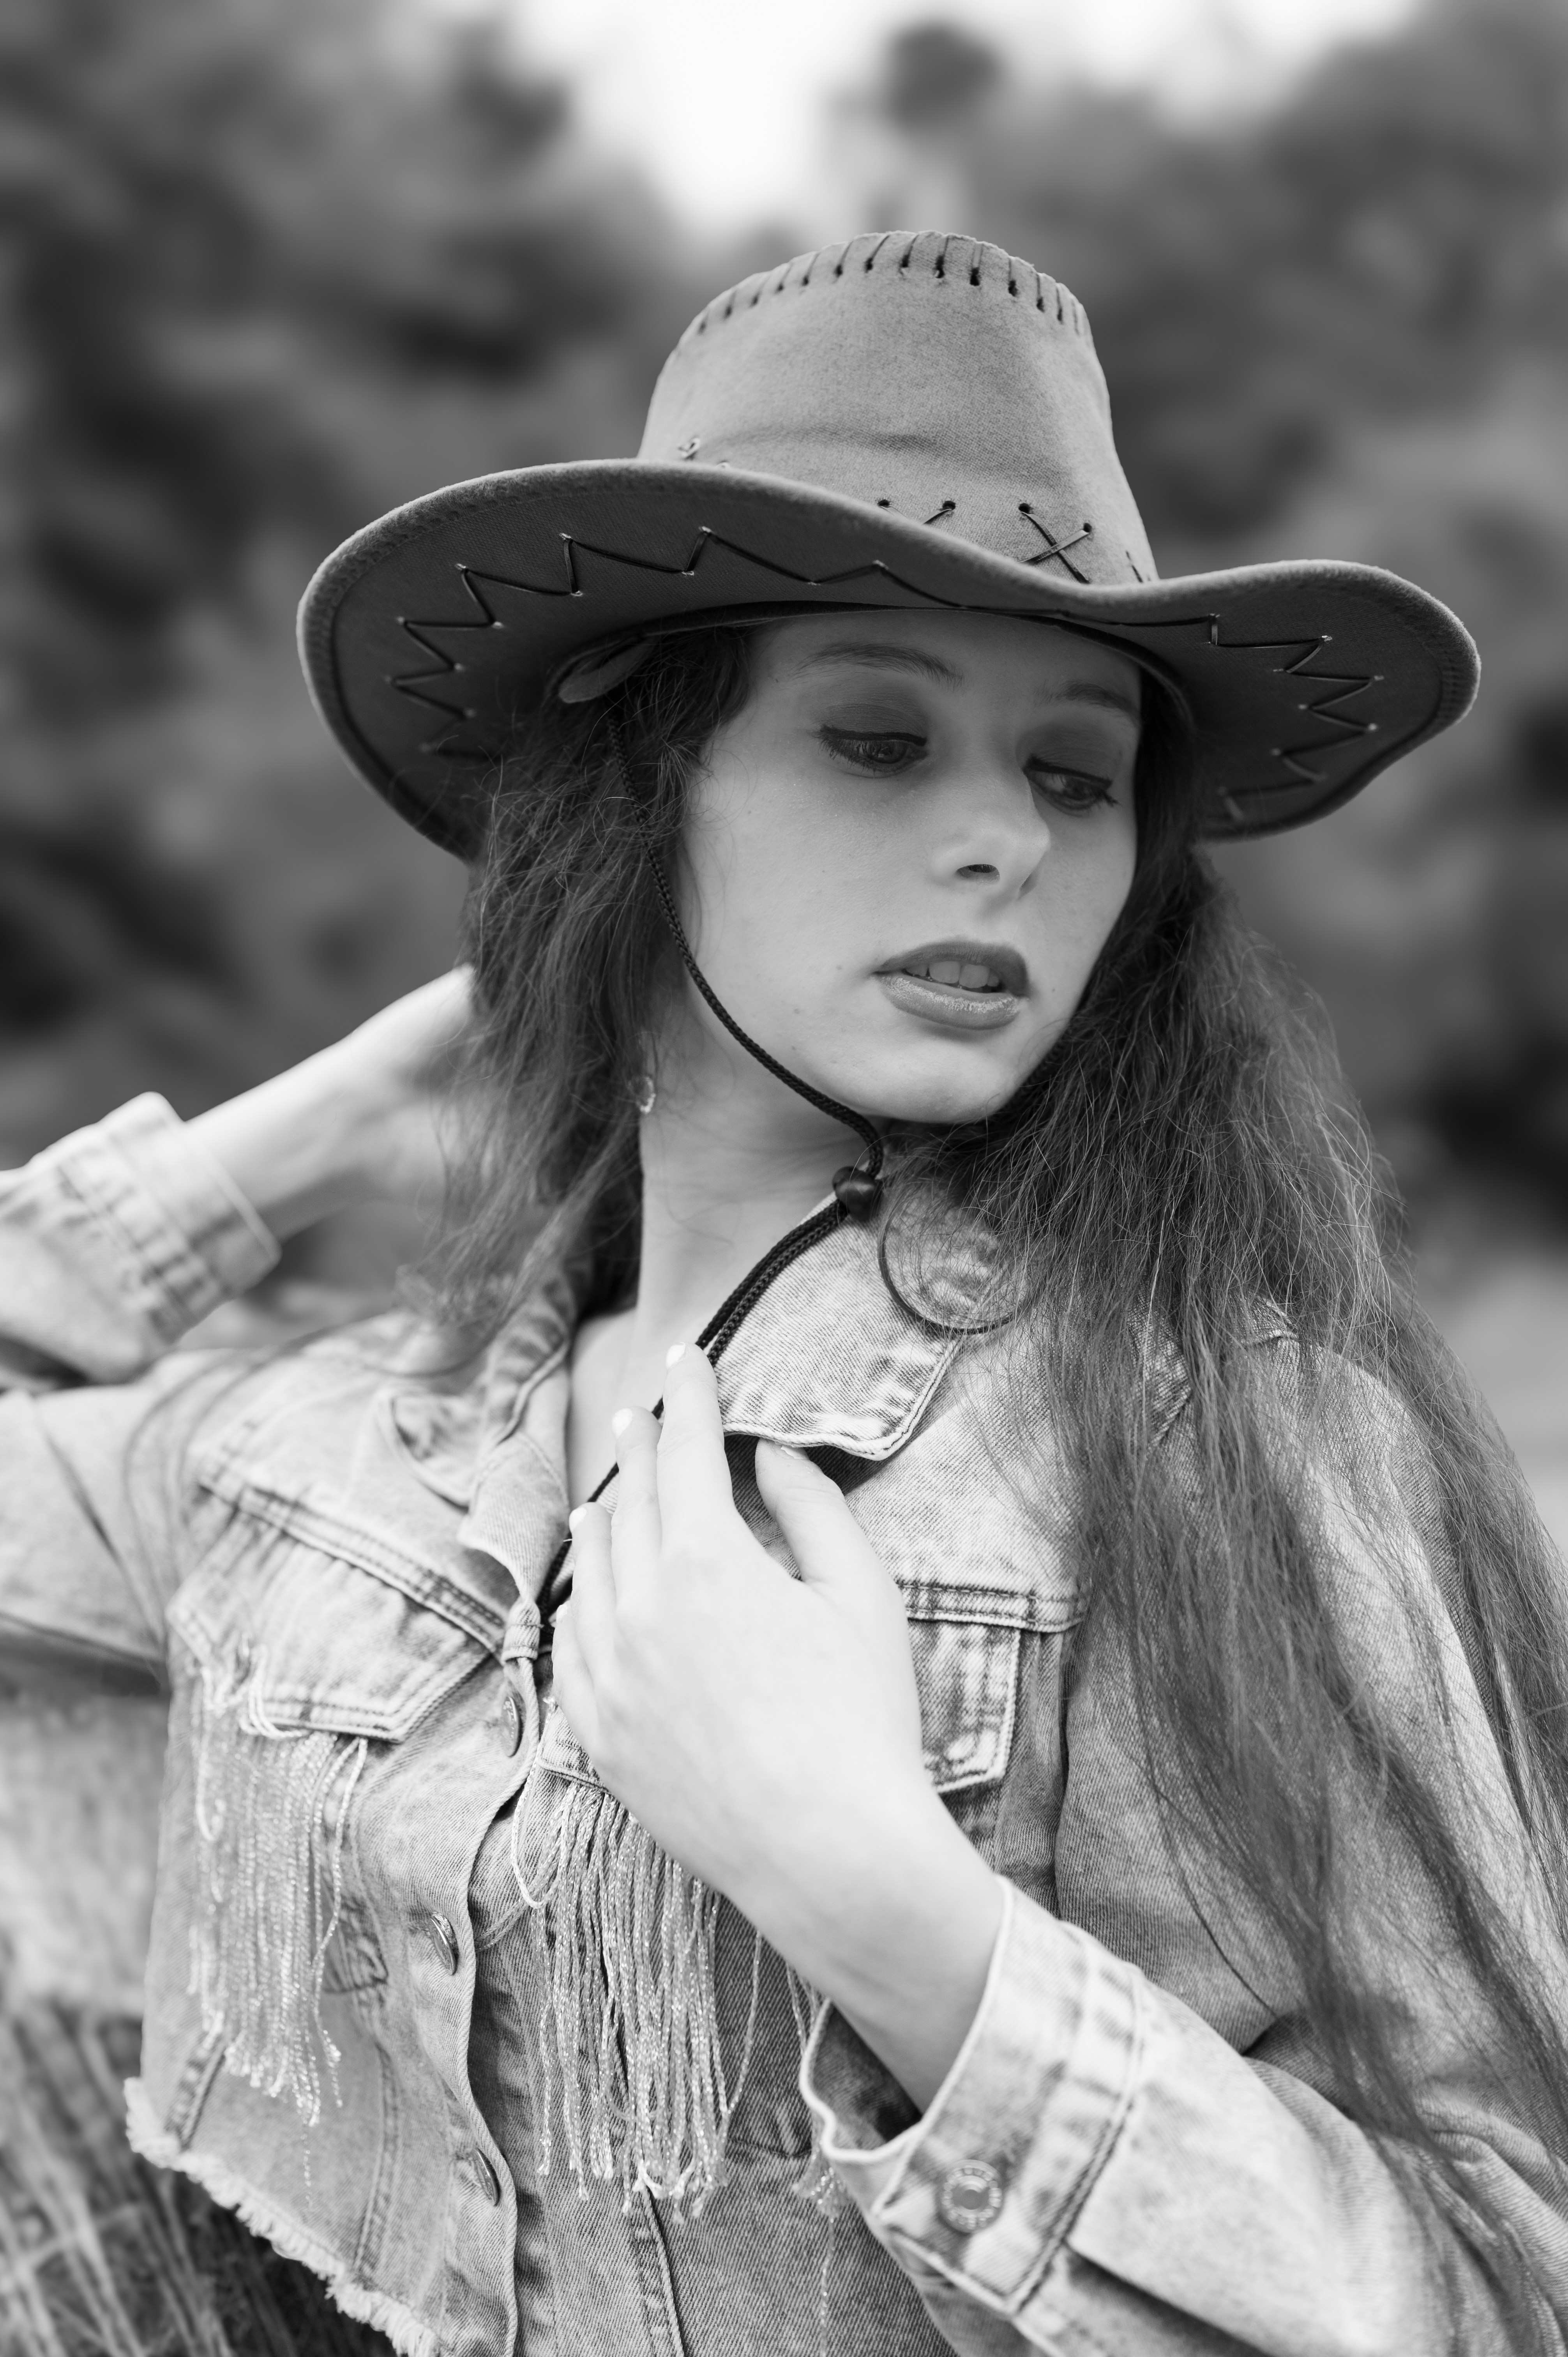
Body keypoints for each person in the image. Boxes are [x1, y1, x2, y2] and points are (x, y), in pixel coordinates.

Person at [4, 228, 1568, 2357]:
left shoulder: (1225, 1453)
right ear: (638, 804)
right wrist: (278, 1149)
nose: (1001, 845)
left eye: (1070, 773)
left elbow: (1506, 2277)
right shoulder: (340, 1436)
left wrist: (886, 1910)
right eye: (872, 740)